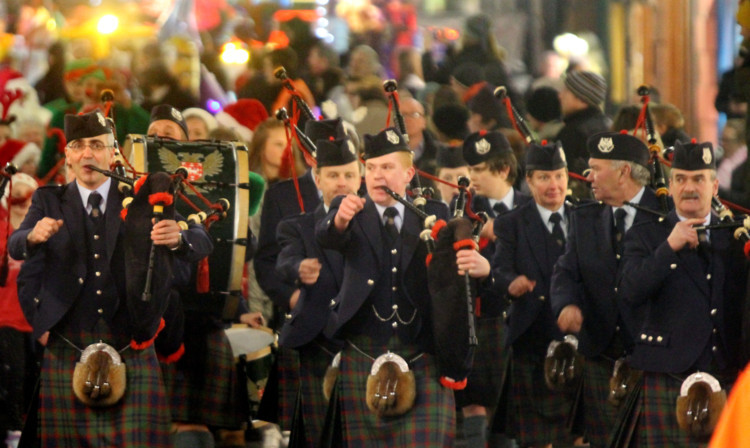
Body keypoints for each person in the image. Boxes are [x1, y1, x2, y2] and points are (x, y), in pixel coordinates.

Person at [8, 110, 212, 447]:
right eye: (78, 146)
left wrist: (178, 237)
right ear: (68, 157)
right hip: (68, 344)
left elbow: (202, 239)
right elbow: (16, 247)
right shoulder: (49, 200)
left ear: (114, 153)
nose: (88, 153)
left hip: (132, 341)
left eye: (97, 145)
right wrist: (31, 236)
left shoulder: (144, 196)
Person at [317, 127, 490, 445]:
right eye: (370, 168)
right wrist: (340, 219)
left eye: (387, 167)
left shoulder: (434, 214)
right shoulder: (349, 210)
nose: (377, 175)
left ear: (409, 172)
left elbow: (461, 277)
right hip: (363, 350)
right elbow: (328, 236)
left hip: (423, 352)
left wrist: (483, 268)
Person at [619, 139, 748, 447]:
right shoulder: (647, 234)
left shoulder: (737, 236)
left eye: (699, 179)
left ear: (715, 186)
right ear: (672, 186)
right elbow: (630, 292)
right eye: (681, 179)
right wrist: (668, 249)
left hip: (728, 375)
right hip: (669, 376)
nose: (690, 187)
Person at [551, 131, 663, 447]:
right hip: (601, 351)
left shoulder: (665, 215)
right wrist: (566, 304)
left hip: (653, 357)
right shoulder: (584, 217)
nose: (589, 177)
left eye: (597, 169)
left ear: (624, 172)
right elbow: (566, 270)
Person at [275, 136, 361, 447]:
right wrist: (299, 268)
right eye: (334, 175)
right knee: (317, 439)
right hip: (317, 341)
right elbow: (284, 260)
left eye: (349, 175)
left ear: (360, 178)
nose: (342, 182)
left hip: (362, 343)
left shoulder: (376, 225)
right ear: (318, 178)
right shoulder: (296, 226)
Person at [493, 140, 578, 448]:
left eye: (558, 175)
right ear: (528, 181)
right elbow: (498, 270)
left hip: (582, 346)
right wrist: (511, 282)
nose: (553, 185)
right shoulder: (511, 224)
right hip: (531, 343)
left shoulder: (587, 218)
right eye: (544, 177)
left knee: (581, 435)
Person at [457, 130, 530, 447]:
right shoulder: (464, 210)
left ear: (503, 170)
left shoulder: (531, 208)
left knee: (520, 406)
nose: (471, 177)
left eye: (479, 170)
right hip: (485, 321)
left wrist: (500, 232)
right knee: (478, 403)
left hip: (527, 319)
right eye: (470, 169)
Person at [0, 173, 38, 448]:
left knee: (32, 384)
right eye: (18, 195)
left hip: (37, 323)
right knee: (11, 380)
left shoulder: (41, 232)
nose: (23, 202)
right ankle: (12, 433)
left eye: (29, 197)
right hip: (6, 321)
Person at [556, 70, 610, 177]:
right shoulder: (609, 125)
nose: (560, 96)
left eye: (566, 91)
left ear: (581, 98)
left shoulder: (572, 133)